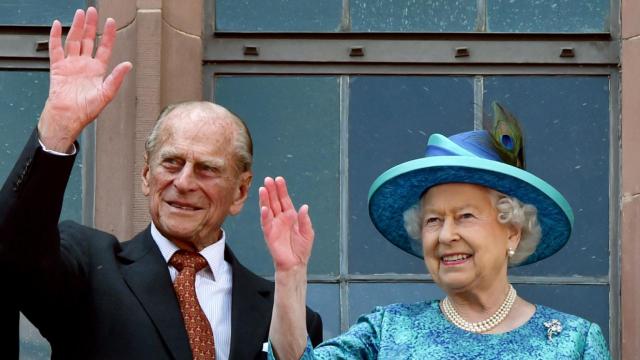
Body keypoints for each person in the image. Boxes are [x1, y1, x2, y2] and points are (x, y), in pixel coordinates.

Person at [0, 7, 322, 359]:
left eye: (206, 170)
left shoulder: (286, 315)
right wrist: (59, 129)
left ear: (240, 192)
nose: (183, 182)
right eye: (171, 163)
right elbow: (13, 255)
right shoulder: (90, 268)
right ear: (146, 176)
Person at [260, 107, 610, 359]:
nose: (445, 236)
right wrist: (290, 273)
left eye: (466, 216)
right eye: (433, 220)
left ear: (512, 232)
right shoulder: (388, 331)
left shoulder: (573, 343)